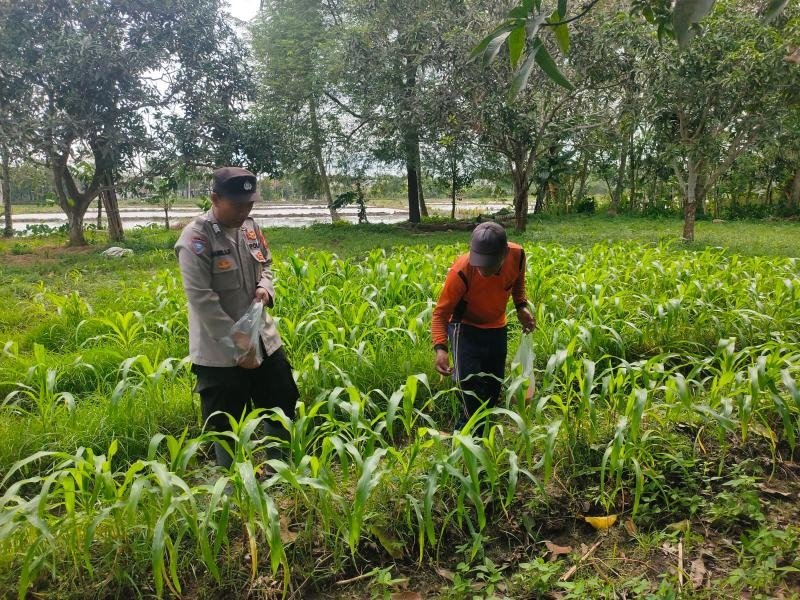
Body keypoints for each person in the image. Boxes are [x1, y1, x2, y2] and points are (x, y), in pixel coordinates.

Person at [175, 166, 298, 467]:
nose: (245, 211)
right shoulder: (196, 239)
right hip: (221, 350)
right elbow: (201, 299)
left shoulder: (250, 228)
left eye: (250, 204)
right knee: (224, 420)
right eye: (238, 204)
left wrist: (265, 287)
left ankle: (278, 470)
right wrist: (239, 345)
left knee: (281, 400)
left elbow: (266, 264)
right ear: (215, 198)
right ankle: (231, 489)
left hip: (263, 337)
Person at [431, 222, 536, 426]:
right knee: (468, 386)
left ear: (504, 253)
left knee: (493, 385)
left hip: (497, 327)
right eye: (479, 262)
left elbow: (518, 281)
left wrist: (521, 306)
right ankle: (465, 438)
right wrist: (441, 348)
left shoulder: (517, 255)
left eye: (489, 264)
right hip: (465, 328)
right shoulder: (461, 271)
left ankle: (484, 432)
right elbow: (441, 313)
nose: (482, 269)